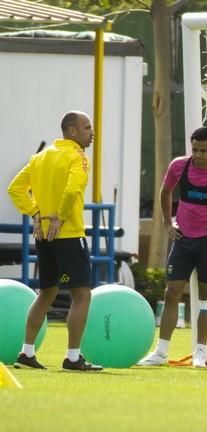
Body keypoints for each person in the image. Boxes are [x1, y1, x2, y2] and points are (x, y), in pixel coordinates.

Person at [7, 111, 102, 371]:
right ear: (72, 131)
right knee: (82, 295)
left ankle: (26, 354)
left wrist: (36, 212)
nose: (91, 132)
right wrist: (60, 217)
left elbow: (14, 188)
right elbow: (72, 189)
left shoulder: (40, 157)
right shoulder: (78, 157)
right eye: (87, 127)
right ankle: (73, 358)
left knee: (46, 293)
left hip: (44, 236)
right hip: (68, 234)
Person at [138, 127, 207, 368]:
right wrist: (166, 222)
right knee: (171, 293)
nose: (198, 155)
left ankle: (200, 352)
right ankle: (161, 352)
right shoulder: (179, 166)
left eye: (203, 150)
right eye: (194, 149)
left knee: (206, 299)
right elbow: (165, 191)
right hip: (182, 240)